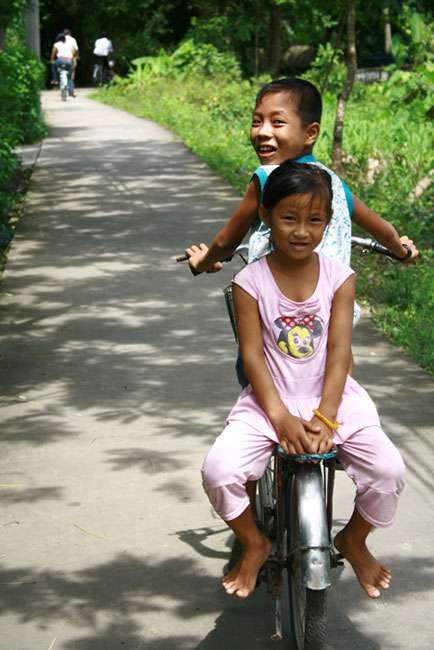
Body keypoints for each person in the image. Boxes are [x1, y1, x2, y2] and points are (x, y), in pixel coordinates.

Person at [201, 161, 406, 600]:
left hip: (334, 399)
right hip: (269, 399)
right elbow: (252, 355)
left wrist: (327, 416)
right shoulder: (248, 281)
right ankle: (255, 541)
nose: (301, 231)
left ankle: (353, 539)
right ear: (267, 217)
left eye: (314, 220)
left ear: (328, 223)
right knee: (219, 472)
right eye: (289, 218)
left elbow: (339, 351)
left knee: (388, 471)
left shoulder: (340, 278)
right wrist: (278, 416)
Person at [185, 78, 418, 277]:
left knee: (250, 320)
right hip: (330, 308)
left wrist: (203, 261)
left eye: (277, 122)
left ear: (310, 133)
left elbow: (227, 242)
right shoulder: (330, 181)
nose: (263, 132)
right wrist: (402, 251)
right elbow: (382, 230)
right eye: (257, 121)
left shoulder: (267, 178)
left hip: (277, 306)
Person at [50, 33, 74, 97]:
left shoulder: (56, 44)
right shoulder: (68, 45)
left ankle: (55, 80)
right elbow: (71, 54)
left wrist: (52, 60)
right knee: (69, 77)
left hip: (60, 60)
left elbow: (53, 53)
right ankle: (71, 90)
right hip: (69, 61)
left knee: (53, 66)